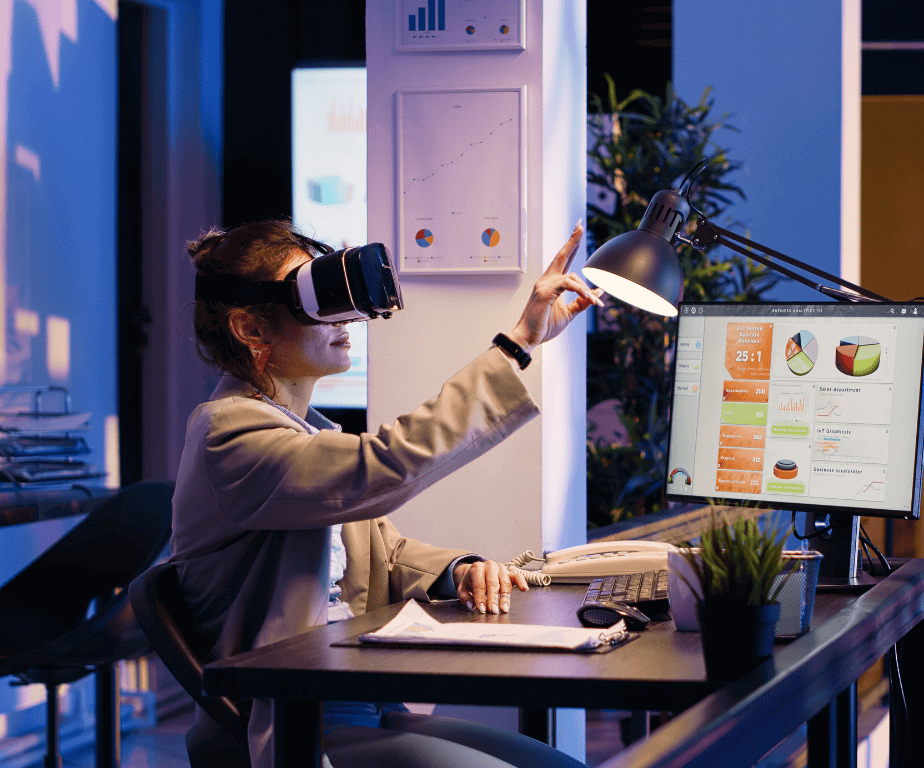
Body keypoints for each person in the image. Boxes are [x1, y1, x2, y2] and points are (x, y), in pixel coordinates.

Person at [169, 219, 601, 768]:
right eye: (316, 298)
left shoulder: (306, 432)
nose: (346, 316)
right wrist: (517, 343)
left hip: (358, 701)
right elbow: (385, 467)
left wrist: (460, 570)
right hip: (300, 727)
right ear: (251, 329)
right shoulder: (228, 437)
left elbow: (383, 552)